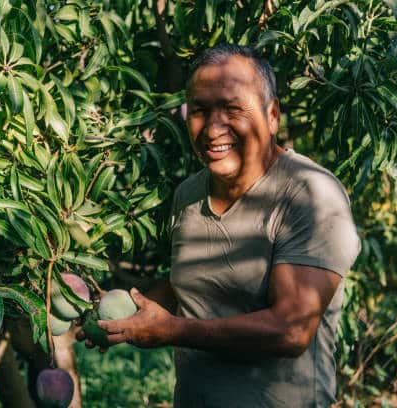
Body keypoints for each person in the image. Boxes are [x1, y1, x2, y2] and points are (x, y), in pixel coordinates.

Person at [78, 44, 361, 407]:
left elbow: (291, 329)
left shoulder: (310, 194)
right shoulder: (189, 194)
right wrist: (122, 316)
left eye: (232, 109)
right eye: (200, 110)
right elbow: (195, 283)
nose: (213, 129)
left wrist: (171, 330)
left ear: (272, 115)